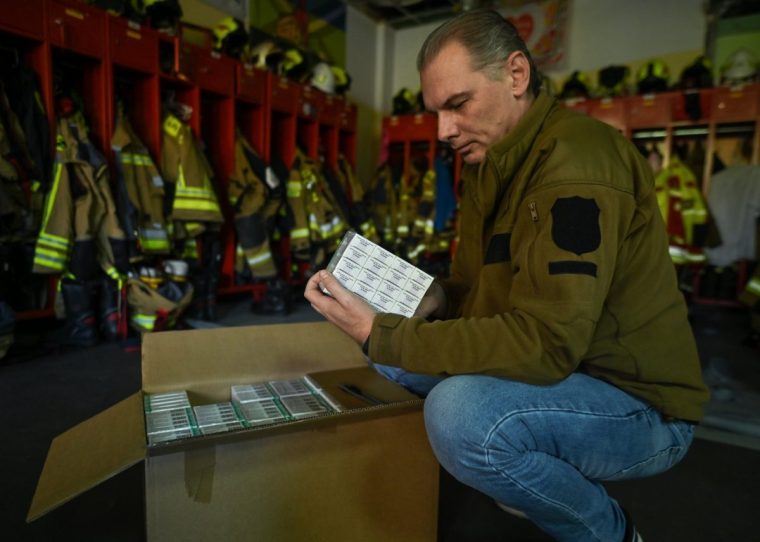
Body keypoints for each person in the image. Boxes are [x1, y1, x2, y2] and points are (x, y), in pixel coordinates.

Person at [305, 9, 709, 542]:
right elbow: (481, 295)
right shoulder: (490, 165)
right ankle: (524, 465)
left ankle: (610, 533)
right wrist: (432, 299)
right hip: (570, 370)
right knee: (393, 352)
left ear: (516, 75)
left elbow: (546, 343)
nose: (444, 131)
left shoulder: (576, 161)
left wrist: (383, 331)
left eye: (458, 104)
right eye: (436, 113)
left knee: (461, 417)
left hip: (640, 406)